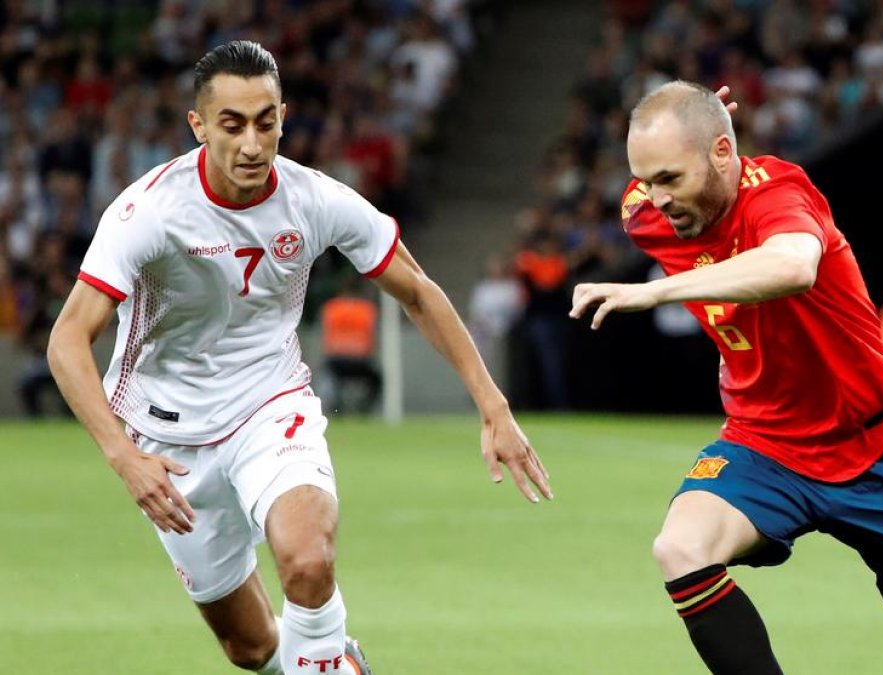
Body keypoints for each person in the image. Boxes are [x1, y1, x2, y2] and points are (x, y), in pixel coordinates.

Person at [47, 41, 552, 675]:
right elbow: (67, 340)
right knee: (252, 648)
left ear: (284, 116)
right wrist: (123, 458)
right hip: (167, 439)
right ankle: (335, 662)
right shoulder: (149, 212)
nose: (253, 144)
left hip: (270, 405)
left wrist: (493, 404)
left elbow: (418, 291)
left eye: (266, 122)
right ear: (199, 125)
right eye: (232, 125)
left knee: (308, 561)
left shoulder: (314, 199)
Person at [569, 81, 883, 674]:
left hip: (876, 445)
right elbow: (678, 150)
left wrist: (655, 291)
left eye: (671, 178)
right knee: (680, 548)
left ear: (724, 155)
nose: (655, 198)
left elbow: (792, 265)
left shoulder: (778, 191)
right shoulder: (647, 211)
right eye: (645, 180)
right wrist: (692, 130)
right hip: (765, 442)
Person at [318, 277, 382, 414]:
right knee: (377, 379)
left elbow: (326, 334)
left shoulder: (332, 307)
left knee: (328, 374)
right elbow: (372, 337)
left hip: (337, 360)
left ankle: (335, 408)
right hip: (360, 361)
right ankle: (364, 408)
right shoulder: (366, 309)